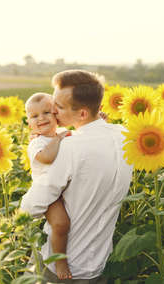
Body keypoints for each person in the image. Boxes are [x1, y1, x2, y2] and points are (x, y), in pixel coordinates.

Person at [20, 70, 133, 283]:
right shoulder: (124, 135)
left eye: (59, 107)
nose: (53, 111)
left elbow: (31, 208)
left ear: (82, 114)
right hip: (98, 263)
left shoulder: (70, 148)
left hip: (60, 268)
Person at [24, 92, 73, 280]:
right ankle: (60, 260)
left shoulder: (62, 133)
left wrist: (98, 121)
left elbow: (81, 136)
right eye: (34, 116)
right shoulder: (36, 143)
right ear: (29, 123)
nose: (41, 118)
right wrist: (58, 139)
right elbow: (47, 157)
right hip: (49, 194)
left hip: (63, 188)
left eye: (46, 112)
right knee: (61, 224)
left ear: (57, 116)